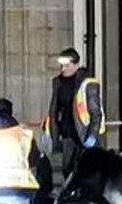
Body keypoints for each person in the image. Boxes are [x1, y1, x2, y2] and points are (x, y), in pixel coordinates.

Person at [42, 48, 104, 177]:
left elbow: (96, 113)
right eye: (62, 65)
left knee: (87, 173)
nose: (63, 69)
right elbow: (54, 110)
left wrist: (92, 135)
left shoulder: (88, 84)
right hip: (67, 136)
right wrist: (52, 134)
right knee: (68, 171)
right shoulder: (58, 83)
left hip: (84, 134)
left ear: (76, 65)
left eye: (67, 65)